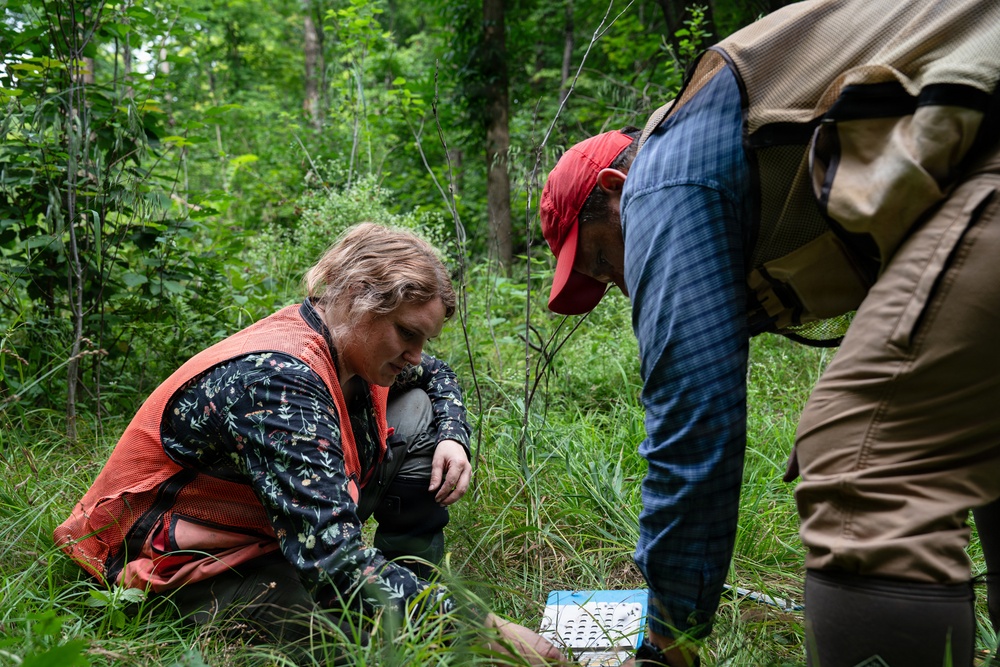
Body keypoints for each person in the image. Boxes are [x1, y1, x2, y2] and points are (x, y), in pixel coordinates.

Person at [539, 1, 1000, 666]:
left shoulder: (661, 178)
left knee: (860, 467)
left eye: (603, 261)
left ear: (616, 188)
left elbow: (695, 417)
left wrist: (669, 637)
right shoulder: (724, 148)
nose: (621, 284)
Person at [55, 222, 566, 665]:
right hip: (173, 560)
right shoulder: (277, 379)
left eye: (424, 340)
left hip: (273, 534)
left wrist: (453, 437)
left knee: (417, 410)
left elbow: (437, 375)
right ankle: (407, 604)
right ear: (358, 298)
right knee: (369, 643)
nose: (416, 354)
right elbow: (334, 561)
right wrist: (483, 628)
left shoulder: (351, 344)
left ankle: (411, 578)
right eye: (407, 334)